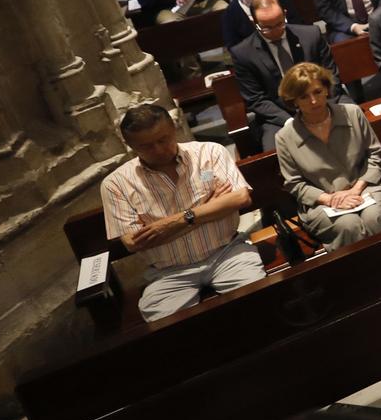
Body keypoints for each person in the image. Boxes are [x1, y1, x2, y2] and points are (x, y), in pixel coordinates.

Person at [101, 104, 266, 322]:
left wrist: (175, 221)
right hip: (168, 272)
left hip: (227, 251)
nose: (159, 150)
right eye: (147, 146)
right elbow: (134, 242)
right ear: (130, 145)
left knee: (259, 301)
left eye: (163, 140)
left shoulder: (209, 152)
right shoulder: (116, 184)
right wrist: (210, 207)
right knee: (169, 329)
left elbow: (240, 198)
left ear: (174, 129)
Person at [274, 62, 381, 250]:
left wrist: (356, 190)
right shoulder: (285, 137)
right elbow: (295, 184)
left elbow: (374, 155)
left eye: (317, 92)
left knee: (375, 218)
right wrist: (331, 199)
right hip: (322, 202)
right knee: (348, 225)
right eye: (304, 96)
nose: (313, 101)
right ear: (294, 101)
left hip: (365, 186)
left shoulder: (352, 113)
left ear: (326, 90)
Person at [229, 0, 347, 134]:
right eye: (267, 27)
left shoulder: (311, 35)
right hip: (281, 114)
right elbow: (256, 99)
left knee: (352, 119)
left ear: (285, 14)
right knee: (275, 149)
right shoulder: (243, 53)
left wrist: (324, 108)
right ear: (254, 23)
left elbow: (331, 76)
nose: (276, 31)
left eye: (280, 23)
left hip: (322, 100)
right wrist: (289, 121)